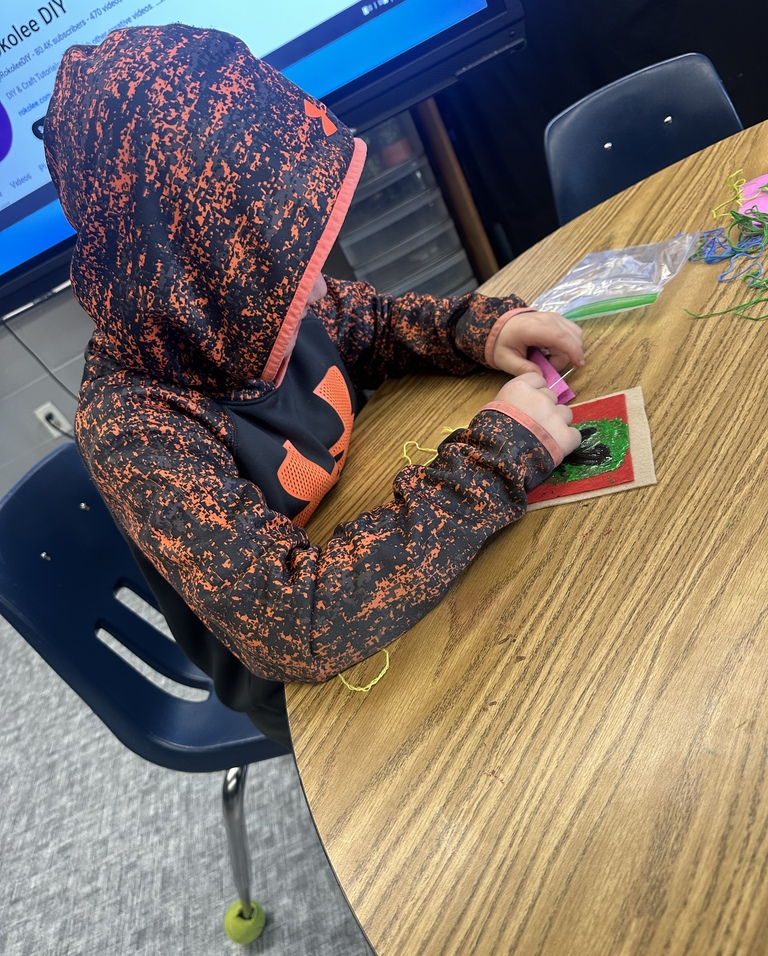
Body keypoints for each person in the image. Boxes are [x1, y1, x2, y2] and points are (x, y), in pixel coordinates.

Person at [43, 24, 584, 750]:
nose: (309, 268)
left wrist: (473, 329)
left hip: (373, 530)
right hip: (310, 679)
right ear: (193, 262)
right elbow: (295, 626)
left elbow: (372, 325)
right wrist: (492, 457)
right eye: (269, 237)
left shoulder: (255, 295)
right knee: (519, 725)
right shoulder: (133, 427)